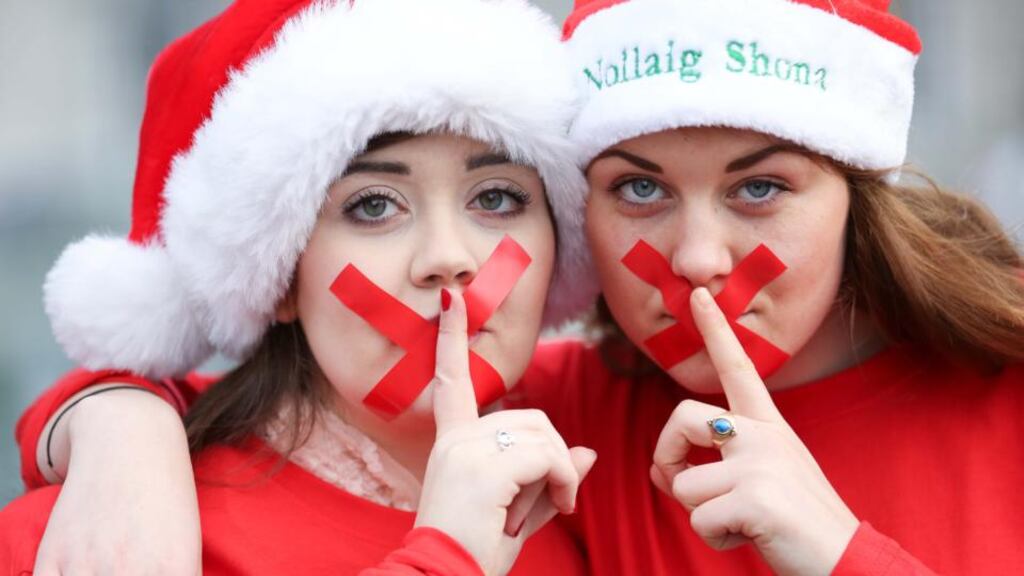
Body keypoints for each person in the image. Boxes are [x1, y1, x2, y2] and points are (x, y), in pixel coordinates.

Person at [13, 0, 1024, 574]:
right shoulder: (564, 436)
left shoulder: (554, 443)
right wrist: (119, 423)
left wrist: (842, 554)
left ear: (858, 188)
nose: (697, 259)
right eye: (638, 188)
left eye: (759, 187)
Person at [0, 0, 599, 574]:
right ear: (280, 276)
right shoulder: (96, 539)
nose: (448, 258)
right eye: (373, 205)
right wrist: (449, 555)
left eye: (496, 198)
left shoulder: (601, 458)